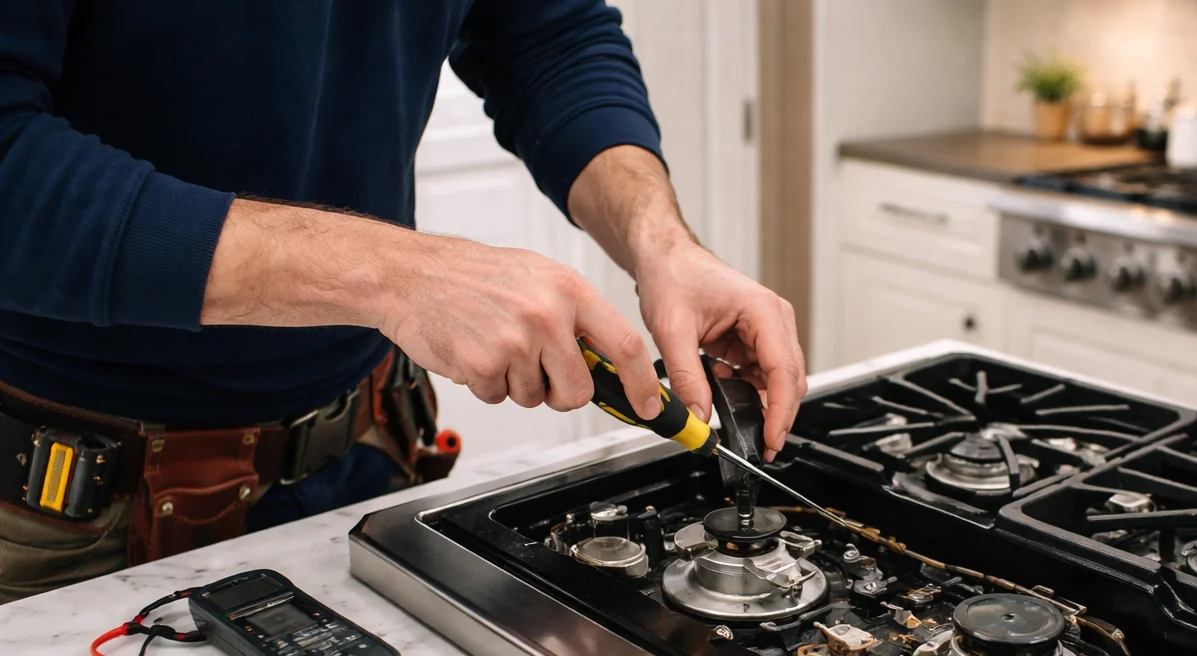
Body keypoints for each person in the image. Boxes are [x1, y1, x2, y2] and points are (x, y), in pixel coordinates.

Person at [0, 1, 804, 603]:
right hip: (67, 514)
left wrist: (662, 242)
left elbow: (547, 38)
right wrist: (394, 273)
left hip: (371, 451)